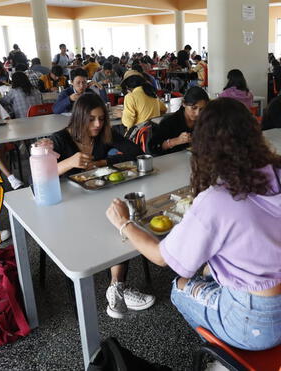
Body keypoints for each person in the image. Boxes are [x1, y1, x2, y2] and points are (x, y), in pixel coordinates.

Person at [106, 98, 281, 350]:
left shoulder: (217, 200)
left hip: (255, 321)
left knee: (179, 287)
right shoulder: (275, 170)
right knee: (209, 269)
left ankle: (220, 355)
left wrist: (124, 223)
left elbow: (161, 257)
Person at [39, 94, 153, 319]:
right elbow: (38, 179)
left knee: (124, 222)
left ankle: (116, 287)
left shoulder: (103, 134)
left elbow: (134, 151)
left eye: (101, 119)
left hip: (98, 199)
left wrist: (102, 162)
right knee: (116, 224)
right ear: (79, 118)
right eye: (91, 119)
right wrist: (68, 163)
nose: (98, 124)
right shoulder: (60, 140)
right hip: (67, 209)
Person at [148, 87, 209, 156]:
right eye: (193, 108)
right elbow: (153, 148)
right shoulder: (170, 122)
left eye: (202, 109)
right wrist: (176, 141)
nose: (197, 113)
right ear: (184, 103)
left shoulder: (205, 121)